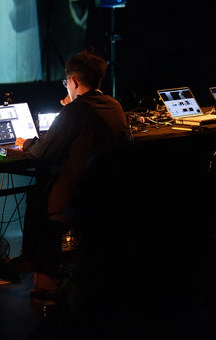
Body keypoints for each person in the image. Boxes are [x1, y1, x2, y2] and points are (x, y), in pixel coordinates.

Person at [12, 50, 132, 298]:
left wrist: (25, 143)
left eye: (66, 82)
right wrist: (72, 108)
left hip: (80, 197)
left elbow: (45, 152)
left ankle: (45, 279)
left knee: (38, 195)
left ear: (74, 81)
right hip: (112, 192)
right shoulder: (114, 105)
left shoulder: (75, 112)